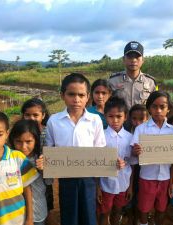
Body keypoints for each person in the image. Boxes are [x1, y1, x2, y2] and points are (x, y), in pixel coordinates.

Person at [45, 72, 124, 225]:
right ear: (62, 95)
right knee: (69, 216)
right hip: (66, 179)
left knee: (89, 216)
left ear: (87, 96)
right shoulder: (54, 121)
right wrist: (46, 164)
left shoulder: (94, 120)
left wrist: (112, 162)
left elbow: (100, 150)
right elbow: (49, 149)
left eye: (81, 95)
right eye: (71, 94)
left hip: (89, 179)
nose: (76, 99)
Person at [131, 91, 173, 225]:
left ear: (168, 109)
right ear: (149, 108)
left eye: (162, 107)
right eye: (154, 106)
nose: (158, 110)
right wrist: (136, 151)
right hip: (147, 176)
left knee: (162, 208)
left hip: (165, 177)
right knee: (144, 208)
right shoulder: (141, 129)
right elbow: (134, 153)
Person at [97, 96, 134, 225]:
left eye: (119, 116)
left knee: (118, 210)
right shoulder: (100, 137)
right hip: (105, 184)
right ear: (105, 116)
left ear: (125, 117)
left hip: (124, 183)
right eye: (111, 116)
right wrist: (98, 188)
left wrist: (130, 187)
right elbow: (95, 163)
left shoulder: (130, 138)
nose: (115, 120)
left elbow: (132, 164)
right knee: (104, 212)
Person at [9, 119, 48, 225]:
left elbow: (49, 182)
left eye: (28, 142)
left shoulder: (41, 159)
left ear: (36, 140)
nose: (23, 147)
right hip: (14, 213)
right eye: (18, 141)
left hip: (37, 210)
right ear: (12, 140)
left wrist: (45, 169)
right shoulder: (8, 161)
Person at [21, 98, 54, 212]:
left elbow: (54, 153)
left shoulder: (48, 132)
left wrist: (47, 162)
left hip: (44, 176)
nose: (31, 118)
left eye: (35, 115)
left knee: (45, 204)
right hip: (24, 175)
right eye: (27, 115)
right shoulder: (20, 133)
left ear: (43, 115)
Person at [108, 41, 156, 109]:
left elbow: (155, 104)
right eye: (130, 57)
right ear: (124, 59)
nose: (133, 60)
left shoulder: (151, 82)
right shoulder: (112, 81)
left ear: (143, 60)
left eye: (137, 57)